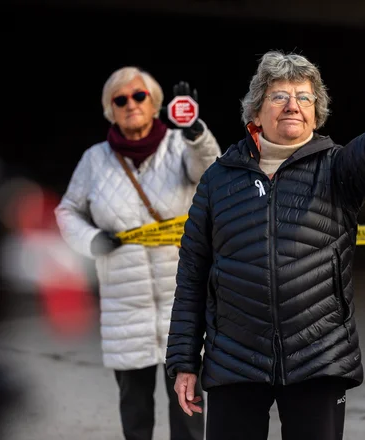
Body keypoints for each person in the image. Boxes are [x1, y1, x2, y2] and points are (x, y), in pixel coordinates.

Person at [165, 20, 365, 440]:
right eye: (279, 96)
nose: (293, 104)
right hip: (234, 360)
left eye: (304, 97)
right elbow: (192, 274)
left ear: (317, 111)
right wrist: (184, 359)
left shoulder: (340, 168)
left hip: (320, 358)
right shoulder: (219, 179)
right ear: (255, 111)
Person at [54, 66, 220, 440]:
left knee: (189, 409)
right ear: (110, 110)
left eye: (139, 96)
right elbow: (66, 212)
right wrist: (92, 239)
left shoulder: (181, 147)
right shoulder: (94, 160)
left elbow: (212, 172)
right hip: (124, 309)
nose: (131, 104)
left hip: (183, 305)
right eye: (121, 99)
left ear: (156, 103)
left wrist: (196, 132)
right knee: (135, 413)